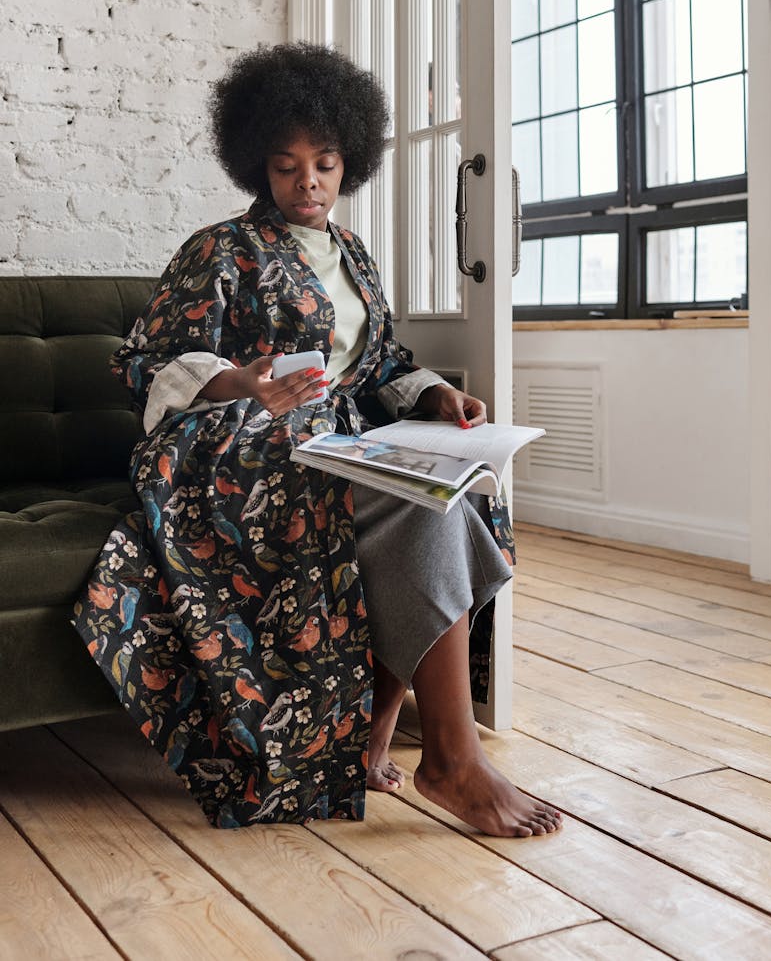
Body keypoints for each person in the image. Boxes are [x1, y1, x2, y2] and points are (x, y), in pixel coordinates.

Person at [72, 42, 562, 839]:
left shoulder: (357, 259)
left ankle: (376, 736)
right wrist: (245, 381)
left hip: (340, 441)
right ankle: (451, 761)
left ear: (349, 164)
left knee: (457, 495)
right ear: (257, 167)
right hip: (238, 448)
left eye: (326, 165)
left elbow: (378, 365)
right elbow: (149, 364)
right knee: (418, 507)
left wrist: (433, 394)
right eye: (287, 165)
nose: (308, 183)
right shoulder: (220, 250)